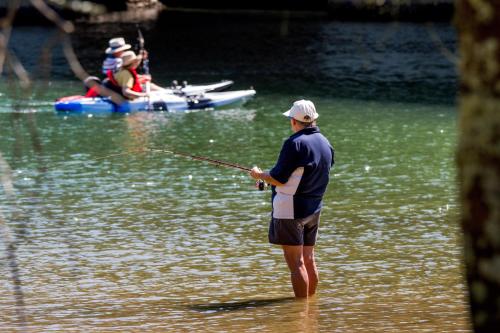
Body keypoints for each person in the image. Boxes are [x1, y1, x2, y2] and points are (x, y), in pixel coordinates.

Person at [249, 99, 334, 298]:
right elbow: (302, 174)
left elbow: (278, 178)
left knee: (296, 264)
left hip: (290, 209)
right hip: (314, 208)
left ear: (294, 121)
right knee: (309, 259)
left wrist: (259, 175)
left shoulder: (294, 143)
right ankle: (310, 310)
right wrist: (269, 179)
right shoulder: (325, 143)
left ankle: (300, 313)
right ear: (313, 120)